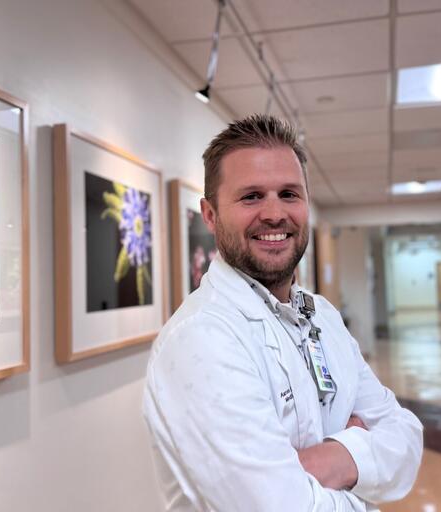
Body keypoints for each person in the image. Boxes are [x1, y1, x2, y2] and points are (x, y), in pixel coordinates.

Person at [143, 115, 423, 511]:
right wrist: (362, 451)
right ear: (210, 215)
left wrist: (332, 458)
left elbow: (405, 438)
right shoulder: (201, 337)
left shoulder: (322, 316)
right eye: (251, 196)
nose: (274, 214)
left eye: (289, 194)